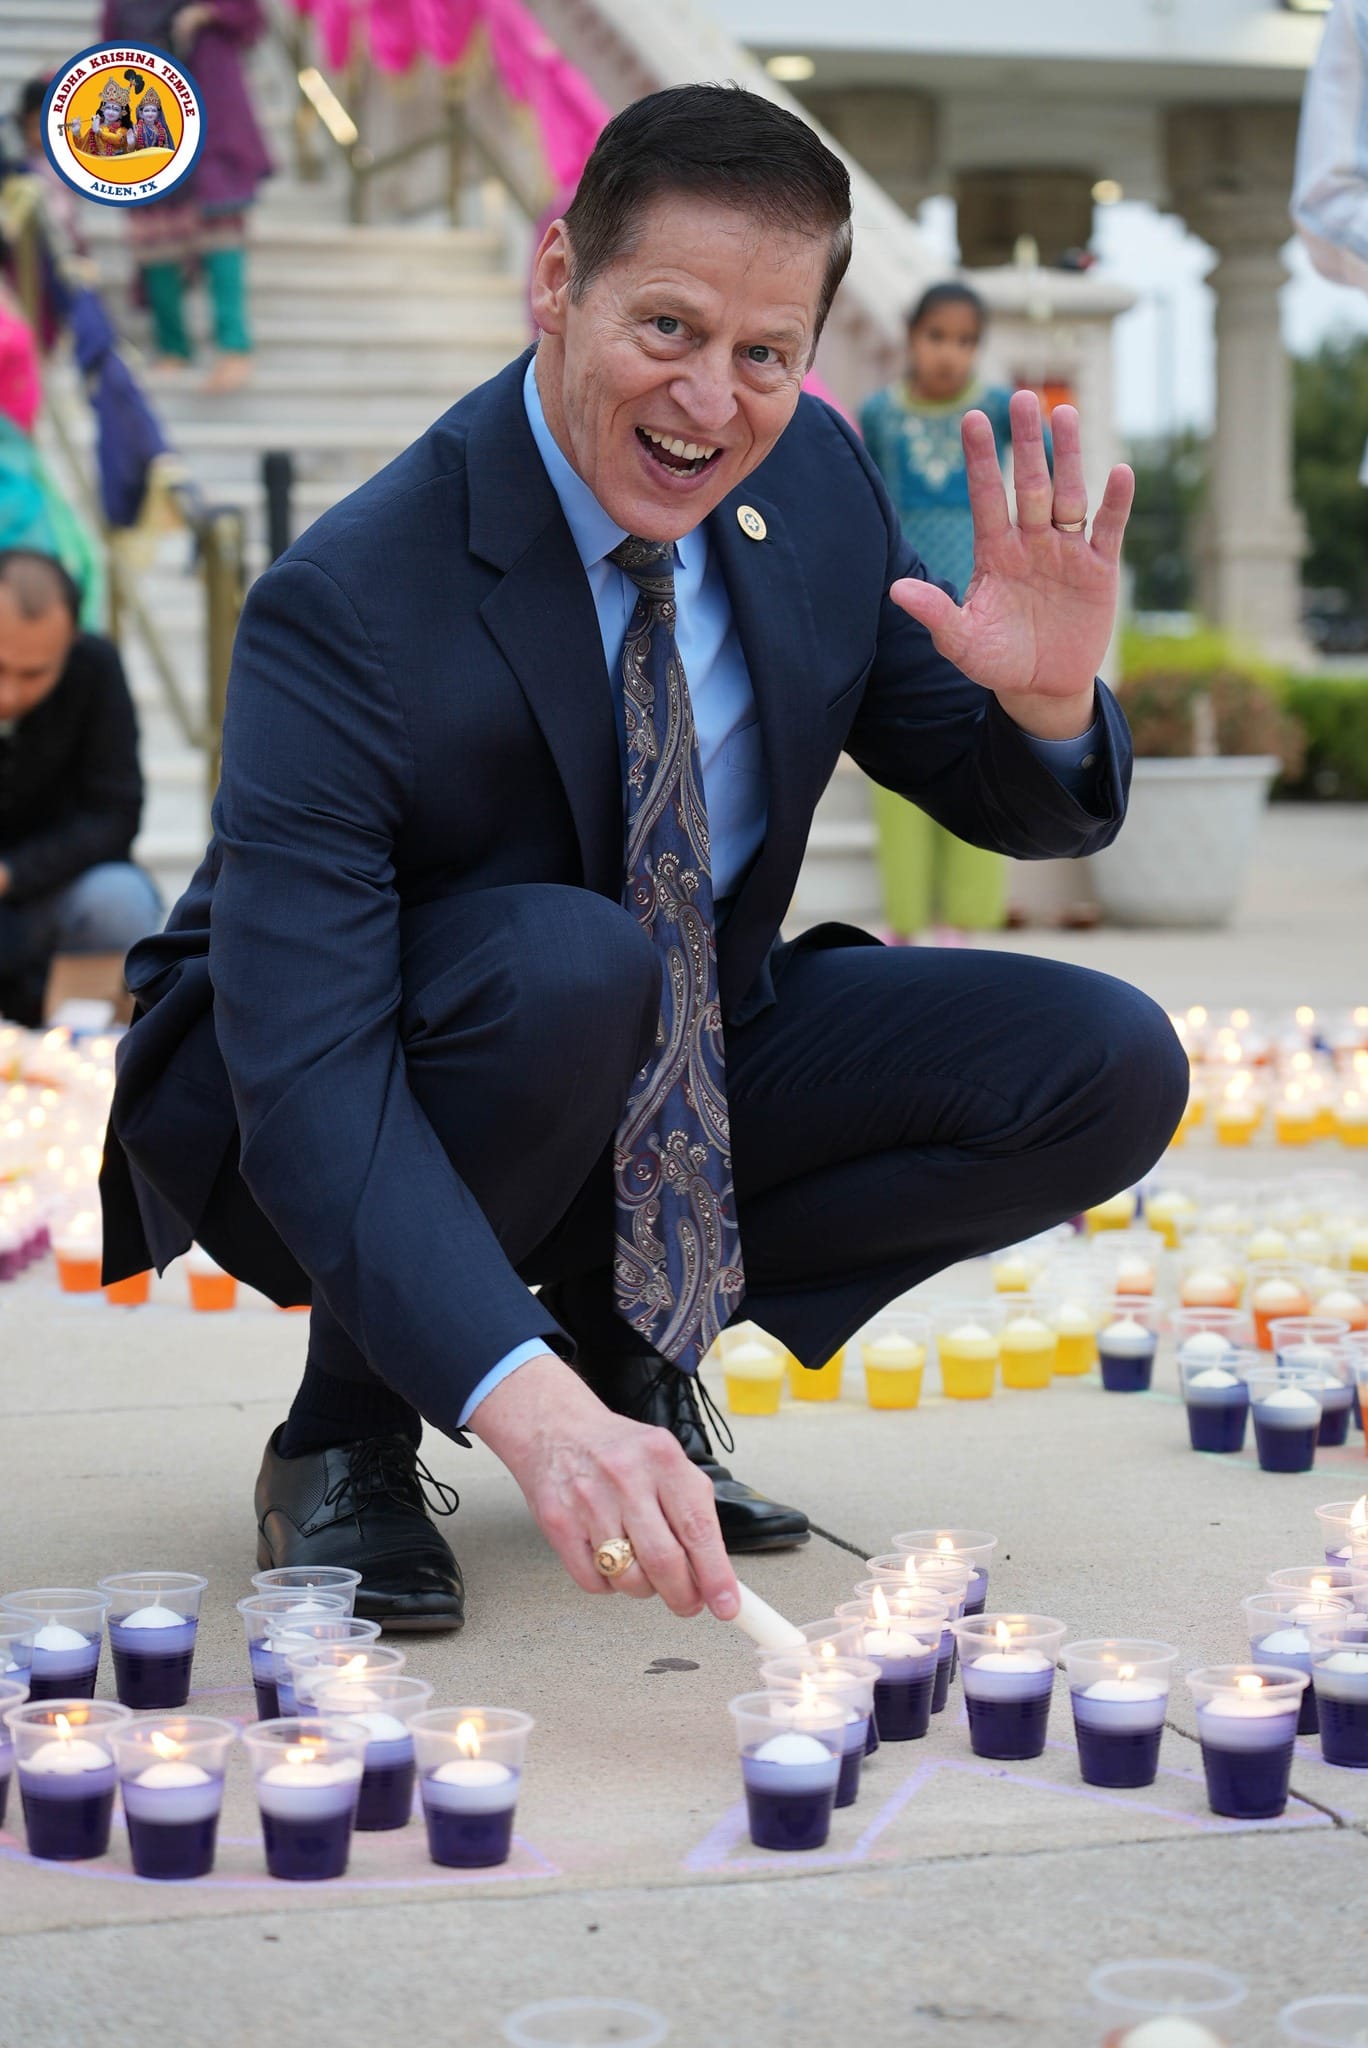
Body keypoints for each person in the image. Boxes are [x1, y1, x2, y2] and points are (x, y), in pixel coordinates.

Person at [100, 85, 1187, 1636]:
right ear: (558, 282)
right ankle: (343, 1429)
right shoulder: (349, 599)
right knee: (570, 962)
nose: (711, 400)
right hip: (336, 1093)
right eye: (666, 328)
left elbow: (1004, 791)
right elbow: (312, 1072)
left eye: (766, 354)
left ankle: (631, 1337)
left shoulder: (808, 483)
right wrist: (520, 1414)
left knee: (1102, 1063)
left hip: (670, 1049)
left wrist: (1050, 697)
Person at [860, 283, 1042, 939]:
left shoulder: (994, 409)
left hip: (983, 606)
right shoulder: (879, 414)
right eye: (937, 336)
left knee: (979, 749)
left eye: (965, 341)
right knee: (899, 754)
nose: (949, 352)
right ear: (911, 337)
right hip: (906, 603)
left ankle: (966, 918)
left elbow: (1040, 469)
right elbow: (869, 506)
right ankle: (905, 921)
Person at [0, 549, 160, 1025]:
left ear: (70, 642)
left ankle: (78, 1054)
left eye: (33, 674)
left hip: (52, 896)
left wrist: (12, 872)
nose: (9, 694)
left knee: (120, 899)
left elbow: (116, 815)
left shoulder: (95, 670)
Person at [100, 0, 273, 393]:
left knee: (221, 233)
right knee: (155, 237)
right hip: (145, 123)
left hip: (211, 116)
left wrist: (207, 13)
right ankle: (172, 347)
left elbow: (251, 17)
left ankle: (234, 347)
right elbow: (108, 50)